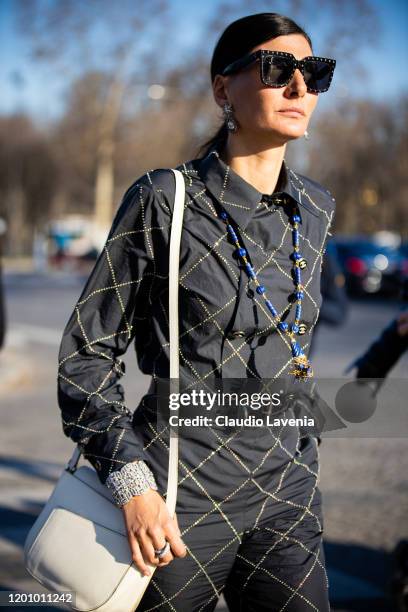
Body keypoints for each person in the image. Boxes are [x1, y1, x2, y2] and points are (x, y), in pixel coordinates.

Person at [57, 12, 337, 611]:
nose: (298, 88)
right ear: (221, 89)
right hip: (179, 500)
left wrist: (306, 449)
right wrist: (132, 485)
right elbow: (87, 356)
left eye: (313, 73)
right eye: (275, 69)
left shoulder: (316, 208)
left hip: (288, 493)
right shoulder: (165, 198)